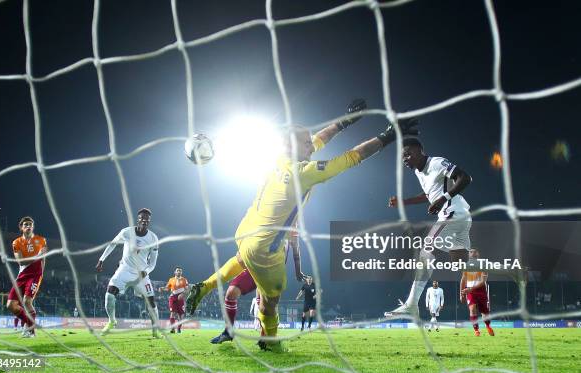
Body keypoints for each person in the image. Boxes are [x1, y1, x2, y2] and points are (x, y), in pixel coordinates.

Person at [186, 99, 420, 350]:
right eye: (306, 142)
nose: (312, 144)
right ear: (290, 144)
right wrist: (388, 135)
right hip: (264, 247)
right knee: (270, 300)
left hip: (245, 229)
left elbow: (320, 138)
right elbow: (354, 156)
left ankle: (205, 286)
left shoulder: (279, 157)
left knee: (242, 259)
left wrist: (345, 121)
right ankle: (271, 342)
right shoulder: (303, 172)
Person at [385, 137, 472, 317]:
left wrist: (443, 199)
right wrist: (404, 201)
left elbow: (465, 178)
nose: (405, 159)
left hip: (452, 212)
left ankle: (411, 304)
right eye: (403, 157)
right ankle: (512, 271)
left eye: (408, 154)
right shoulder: (420, 172)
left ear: (419, 151)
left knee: (427, 247)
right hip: (460, 216)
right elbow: (429, 194)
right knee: (462, 264)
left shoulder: (437, 162)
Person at [210, 232, 306, 344]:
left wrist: (298, 271)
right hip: (254, 266)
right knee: (231, 293)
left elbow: (295, 249)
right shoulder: (262, 217)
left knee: (265, 306)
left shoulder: (291, 225)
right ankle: (228, 332)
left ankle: (264, 338)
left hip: (272, 271)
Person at [96, 208, 160, 338]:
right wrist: (101, 259)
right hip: (124, 270)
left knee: (151, 303)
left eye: (147, 219)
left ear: (149, 221)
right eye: (142, 218)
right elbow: (112, 244)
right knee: (110, 293)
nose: (144, 220)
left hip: (141, 274)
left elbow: (152, 263)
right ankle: (112, 321)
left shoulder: (153, 238)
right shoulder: (126, 232)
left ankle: (155, 331)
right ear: (138, 219)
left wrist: (146, 271)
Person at [6, 216, 47, 338]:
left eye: (30, 224)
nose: (28, 226)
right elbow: (20, 262)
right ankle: (30, 325)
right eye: (25, 224)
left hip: (35, 275)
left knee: (26, 301)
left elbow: (43, 259)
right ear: (21, 227)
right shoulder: (16, 242)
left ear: (33, 227)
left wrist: (41, 275)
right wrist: (37, 256)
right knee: (10, 305)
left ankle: (30, 331)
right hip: (22, 275)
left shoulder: (41, 240)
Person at [460, 249, 494, 336]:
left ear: (478, 254)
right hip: (470, 292)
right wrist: (461, 294)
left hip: (481, 290)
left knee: (484, 312)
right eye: (470, 252)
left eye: (474, 251)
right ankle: (476, 330)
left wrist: (470, 289)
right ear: (468, 254)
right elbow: (463, 280)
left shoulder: (483, 265)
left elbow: (483, 281)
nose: (472, 253)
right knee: (472, 309)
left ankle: (488, 326)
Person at [160, 266, 188, 333]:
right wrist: (162, 288)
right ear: (175, 272)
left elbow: (187, 289)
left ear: (181, 272)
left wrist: (182, 294)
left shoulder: (184, 280)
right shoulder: (171, 279)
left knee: (181, 315)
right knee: (172, 313)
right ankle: (172, 329)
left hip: (180, 298)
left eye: (180, 271)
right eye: (177, 270)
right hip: (173, 297)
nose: (179, 271)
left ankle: (179, 328)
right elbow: (167, 288)